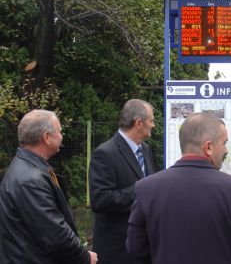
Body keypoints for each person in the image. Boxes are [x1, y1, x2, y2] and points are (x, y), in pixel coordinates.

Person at [126, 113, 231, 264]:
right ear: (208, 147)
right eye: (224, 143)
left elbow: (135, 248)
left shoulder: (145, 189)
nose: (226, 150)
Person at [0, 110, 97, 264]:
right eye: (59, 132)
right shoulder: (30, 180)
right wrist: (84, 257)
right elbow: (54, 234)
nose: (62, 136)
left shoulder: (29, 167)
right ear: (46, 137)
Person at [89, 99, 155, 264]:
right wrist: (142, 189)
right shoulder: (105, 153)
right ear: (139, 123)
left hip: (141, 245)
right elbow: (100, 200)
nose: (153, 125)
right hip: (116, 249)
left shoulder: (145, 149)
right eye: (151, 121)